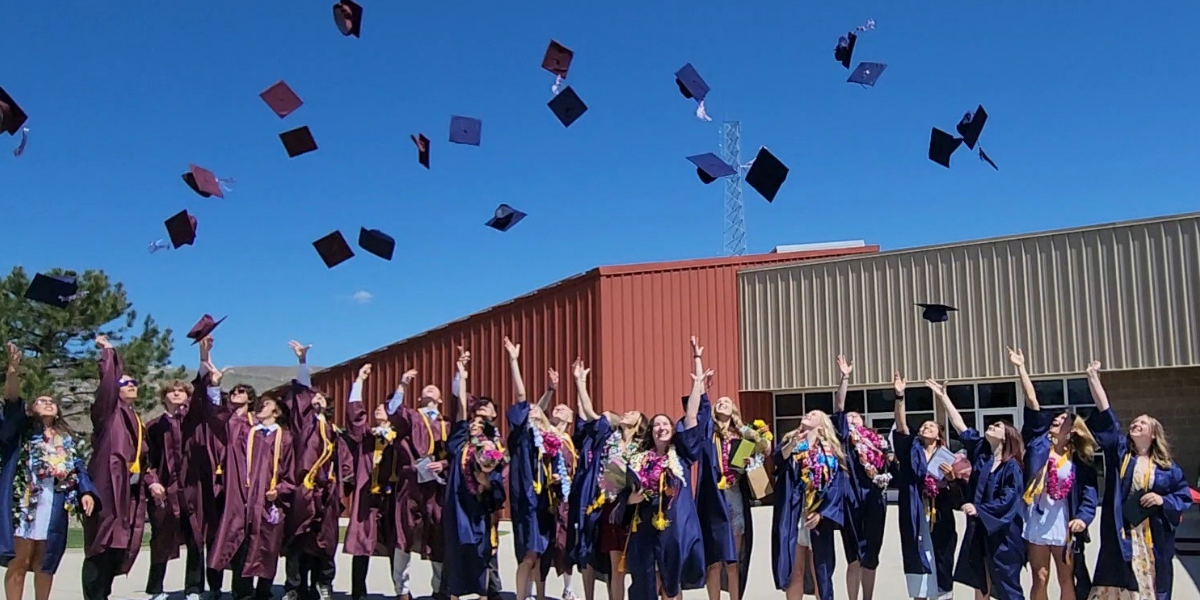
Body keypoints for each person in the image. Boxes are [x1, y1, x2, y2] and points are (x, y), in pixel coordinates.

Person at [1084, 361, 1193, 600]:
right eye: (1134, 421)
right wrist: (1093, 378)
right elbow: (1106, 415)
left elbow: (1183, 495)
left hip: (1152, 537)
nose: (1136, 423)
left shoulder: (1168, 468)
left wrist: (1162, 499)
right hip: (1123, 533)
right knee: (1117, 581)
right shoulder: (1122, 454)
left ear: (1153, 434)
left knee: (1151, 586)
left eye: (1143, 422)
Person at [0, 342, 97, 600]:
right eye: (41, 400)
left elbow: (78, 469)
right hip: (24, 504)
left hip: (54, 504)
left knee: (46, 564)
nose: (48, 403)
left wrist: (86, 492)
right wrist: (13, 371)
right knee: (19, 562)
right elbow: (11, 400)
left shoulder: (65, 439)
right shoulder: (20, 431)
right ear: (32, 409)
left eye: (52, 401)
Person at [623, 336, 708, 600]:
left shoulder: (680, 454)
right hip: (646, 527)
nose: (661, 427)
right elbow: (621, 492)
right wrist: (630, 499)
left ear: (673, 431)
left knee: (672, 585)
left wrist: (697, 380)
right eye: (657, 424)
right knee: (648, 581)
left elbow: (692, 416)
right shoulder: (638, 459)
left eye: (666, 425)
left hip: (675, 527)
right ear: (651, 431)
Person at [1010, 348, 1099, 600]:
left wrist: (1083, 518)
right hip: (1037, 520)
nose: (1056, 421)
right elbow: (1032, 403)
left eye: (1062, 420)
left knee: (1065, 577)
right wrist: (1021, 368)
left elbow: (1089, 495)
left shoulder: (1079, 461)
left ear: (1073, 430)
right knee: (1040, 577)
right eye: (1056, 419)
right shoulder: (1038, 444)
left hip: (1064, 522)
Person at [930, 378, 1026, 600]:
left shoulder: (1011, 467)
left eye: (998, 426)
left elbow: (1008, 500)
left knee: (1007, 585)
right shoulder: (983, 454)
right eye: (991, 424)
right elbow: (960, 426)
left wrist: (980, 510)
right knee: (980, 581)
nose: (991, 426)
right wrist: (943, 397)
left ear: (1008, 436)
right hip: (980, 530)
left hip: (1003, 534)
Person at [207, 366, 296, 600]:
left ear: (276, 413)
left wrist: (280, 490)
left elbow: (291, 473)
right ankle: (242, 593)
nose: (261, 407)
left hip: (270, 503)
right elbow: (220, 420)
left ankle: (264, 592)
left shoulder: (284, 438)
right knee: (243, 547)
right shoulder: (247, 432)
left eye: (266, 405)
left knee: (268, 547)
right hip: (245, 503)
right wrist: (215, 386)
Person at [696, 342, 771, 600]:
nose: (723, 403)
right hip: (713, 500)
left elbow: (766, 447)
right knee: (714, 561)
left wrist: (752, 432)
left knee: (733, 561)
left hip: (735, 497)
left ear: (734, 411)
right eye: (720, 402)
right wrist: (704, 386)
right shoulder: (709, 433)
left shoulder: (743, 436)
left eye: (728, 402)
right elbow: (700, 412)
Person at [81, 334, 150, 600]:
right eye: (125, 382)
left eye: (134, 382)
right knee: (100, 543)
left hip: (127, 490)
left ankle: (103, 595)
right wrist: (108, 353)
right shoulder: (108, 412)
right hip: (107, 485)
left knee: (116, 545)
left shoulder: (136, 419)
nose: (131, 385)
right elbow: (107, 384)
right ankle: (94, 596)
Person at [502, 336, 571, 600]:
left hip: (546, 501)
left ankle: (539, 595)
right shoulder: (522, 435)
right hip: (528, 500)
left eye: (535, 410)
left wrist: (551, 391)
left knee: (541, 551)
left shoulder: (550, 441)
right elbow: (523, 399)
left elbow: (538, 413)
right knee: (529, 553)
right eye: (527, 411)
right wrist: (514, 361)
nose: (531, 411)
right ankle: (522, 597)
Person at [144, 348, 216, 600]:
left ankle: (194, 589)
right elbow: (145, 461)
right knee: (161, 540)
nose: (177, 393)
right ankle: (155, 590)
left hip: (192, 491)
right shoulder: (153, 426)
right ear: (164, 397)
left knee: (197, 539)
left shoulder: (193, 421)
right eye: (172, 391)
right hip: (166, 491)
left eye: (181, 391)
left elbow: (202, 397)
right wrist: (152, 483)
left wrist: (204, 357)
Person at [575, 360, 646, 600]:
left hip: (633, 509)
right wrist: (580, 382)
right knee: (616, 566)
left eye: (633, 413)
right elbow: (591, 414)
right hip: (610, 506)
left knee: (633, 565)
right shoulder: (610, 437)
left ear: (639, 423)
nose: (627, 412)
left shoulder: (642, 447)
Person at [442, 347, 508, 598]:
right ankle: (455, 594)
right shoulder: (460, 442)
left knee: (481, 549)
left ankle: (482, 593)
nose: (475, 425)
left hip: (478, 503)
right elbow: (460, 408)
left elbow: (496, 480)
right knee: (457, 548)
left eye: (481, 424)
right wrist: (462, 374)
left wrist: (486, 482)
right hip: (458, 503)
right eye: (473, 422)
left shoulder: (491, 448)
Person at [891, 371, 962, 600]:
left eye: (931, 426)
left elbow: (957, 496)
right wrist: (900, 396)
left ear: (939, 435)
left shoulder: (947, 457)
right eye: (923, 425)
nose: (925, 427)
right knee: (917, 559)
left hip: (940, 515)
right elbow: (901, 426)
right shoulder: (911, 449)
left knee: (941, 560)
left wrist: (951, 479)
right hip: (915, 511)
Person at [281, 341, 342, 600]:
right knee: (298, 538)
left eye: (321, 396)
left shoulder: (334, 431)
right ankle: (295, 587)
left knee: (324, 540)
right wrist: (303, 362)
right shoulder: (303, 425)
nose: (315, 397)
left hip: (326, 493)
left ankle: (323, 583)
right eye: (313, 396)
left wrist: (340, 484)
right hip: (303, 490)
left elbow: (345, 463)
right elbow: (302, 392)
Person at [386, 365, 452, 600]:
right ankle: (401, 589)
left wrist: (443, 465)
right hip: (411, 482)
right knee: (404, 533)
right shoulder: (412, 417)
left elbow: (453, 453)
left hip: (436, 485)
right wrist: (402, 384)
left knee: (439, 533)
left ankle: (439, 588)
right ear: (419, 398)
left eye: (434, 390)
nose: (430, 389)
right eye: (426, 389)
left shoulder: (447, 424)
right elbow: (394, 411)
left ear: (441, 399)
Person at [771, 402, 847, 600]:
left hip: (817, 515)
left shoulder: (829, 452)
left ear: (822, 425)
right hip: (794, 514)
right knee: (794, 571)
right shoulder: (792, 442)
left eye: (813, 414)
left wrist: (822, 513)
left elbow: (836, 486)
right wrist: (794, 441)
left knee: (820, 571)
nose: (807, 414)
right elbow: (778, 459)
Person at [343, 363, 401, 600]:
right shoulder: (367, 437)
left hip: (393, 496)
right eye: (376, 408)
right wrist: (359, 381)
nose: (377, 409)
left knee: (396, 546)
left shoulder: (399, 439)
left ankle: (401, 591)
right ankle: (358, 592)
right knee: (362, 545)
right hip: (368, 496)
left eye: (382, 408)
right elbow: (355, 417)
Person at [832, 356, 888, 600]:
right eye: (850, 417)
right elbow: (839, 408)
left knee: (872, 555)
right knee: (853, 555)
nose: (852, 418)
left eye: (857, 416)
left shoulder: (877, 443)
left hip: (874, 498)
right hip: (851, 496)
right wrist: (845, 378)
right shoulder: (845, 438)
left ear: (865, 422)